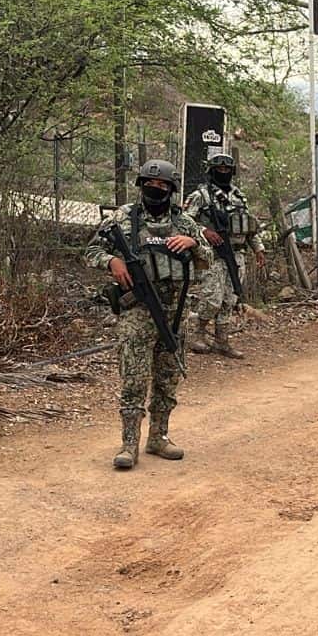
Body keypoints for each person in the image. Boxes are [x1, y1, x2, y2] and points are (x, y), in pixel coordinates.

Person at [85, 160, 211, 469]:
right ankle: (129, 444)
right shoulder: (123, 218)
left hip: (174, 311)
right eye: (150, 186)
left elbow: (208, 257)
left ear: (171, 190)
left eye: (162, 187)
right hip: (138, 312)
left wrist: (193, 243)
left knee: (167, 379)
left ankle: (159, 437)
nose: (156, 191)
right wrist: (111, 262)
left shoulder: (183, 223)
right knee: (134, 379)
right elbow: (91, 251)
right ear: (141, 186)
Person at [183, 153, 266, 359]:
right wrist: (204, 231)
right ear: (211, 171)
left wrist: (258, 249)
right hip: (213, 255)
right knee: (212, 298)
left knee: (230, 298)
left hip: (237, 254)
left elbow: (249, 227)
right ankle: (198, 335)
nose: (223, 172)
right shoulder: (201, 195)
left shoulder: (239, 197)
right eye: (219, 169)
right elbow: (184, 221)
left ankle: (222, 340)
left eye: (227, 169)